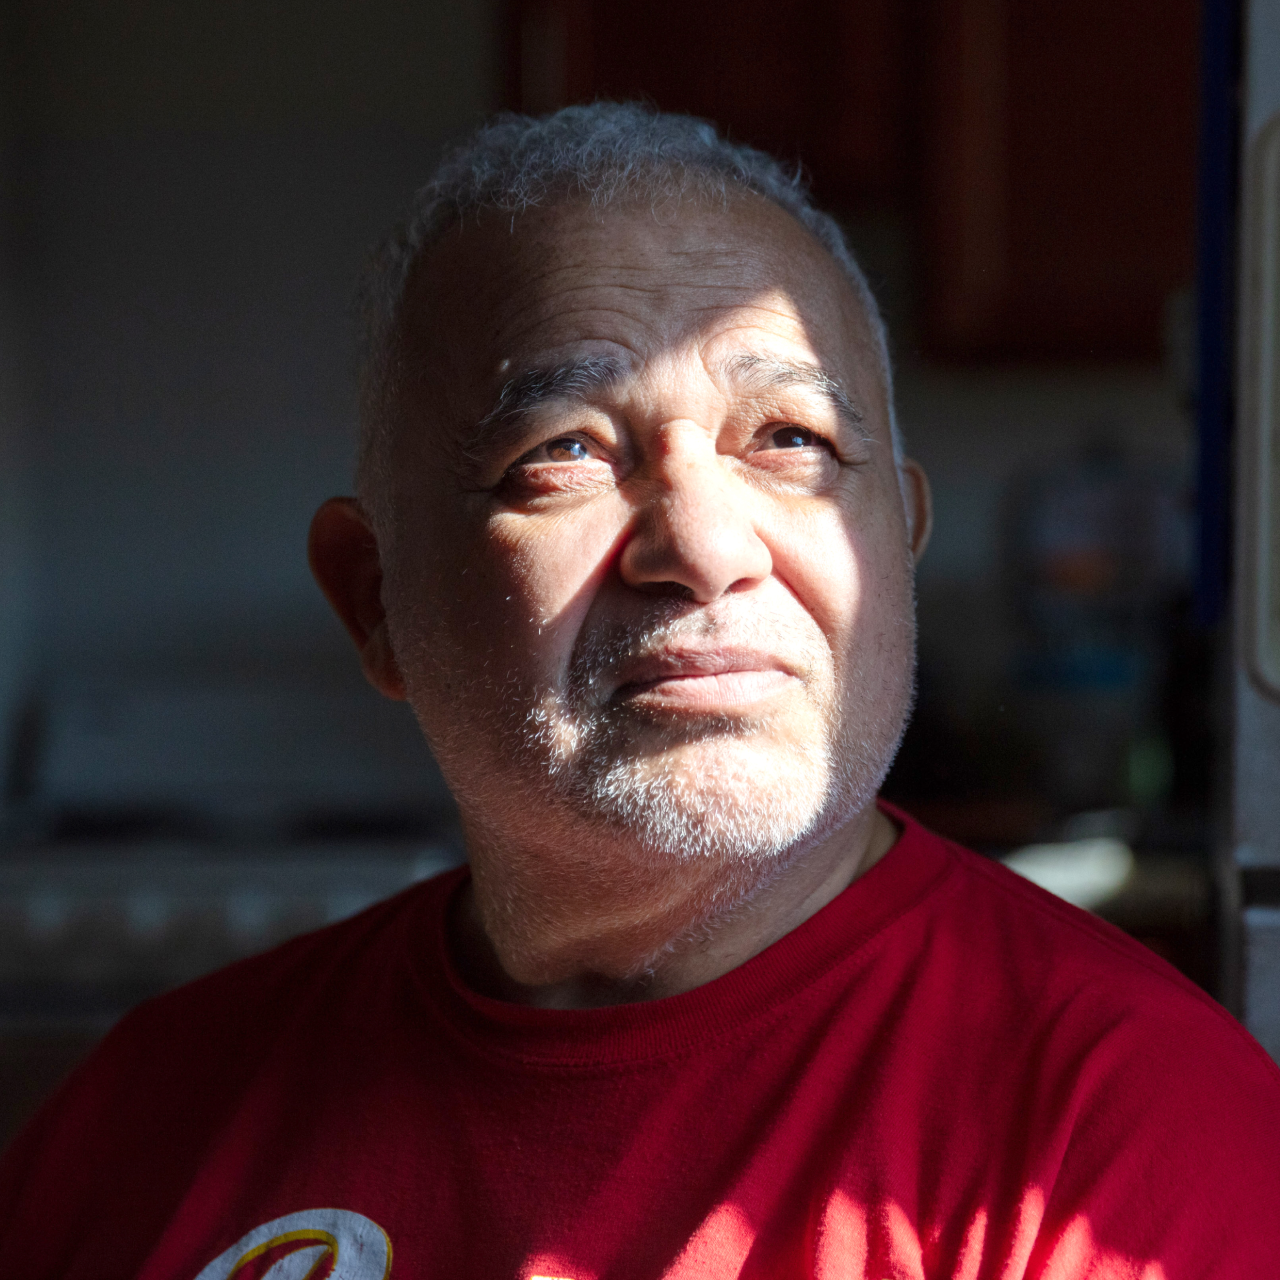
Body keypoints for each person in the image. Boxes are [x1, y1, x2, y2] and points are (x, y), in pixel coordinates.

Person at [2, 103, 1279, 1280]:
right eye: (563, 451)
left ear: (899, 546)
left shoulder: (1118, 1134)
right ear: (373, 598)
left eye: (790, 441)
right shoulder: (137, 1125)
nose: (706, 544)